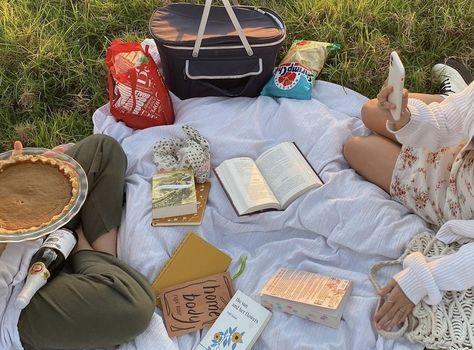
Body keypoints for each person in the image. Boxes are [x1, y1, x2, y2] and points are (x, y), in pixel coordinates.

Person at [343, 58, 474, 332]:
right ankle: (454, 94)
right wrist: (407, 118)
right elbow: (448, 121)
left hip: (449, 198)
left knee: (356, 148)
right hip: (460, 152)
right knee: (371, 110)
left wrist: (422, 280)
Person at [0, 134, 156, 349]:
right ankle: (83, 250)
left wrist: (20, 182)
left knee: (102, 149)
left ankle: (85, 258)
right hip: (12, 305)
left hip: (25, 229)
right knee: (132, 307)